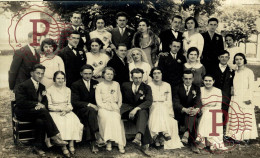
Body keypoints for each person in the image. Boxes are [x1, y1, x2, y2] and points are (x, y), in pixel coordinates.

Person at [14, 64, 68, 157]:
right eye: (37, 73)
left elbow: (45, 102)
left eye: (42, 74)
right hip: (23, 112)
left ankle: (37, 147)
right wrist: (36, 104)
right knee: (43, 111)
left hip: (37, 112)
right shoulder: (23, 85)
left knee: (40, 121)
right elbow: (20, 102)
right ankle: (55, 136)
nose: (40, 76)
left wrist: (41, 105)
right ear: (32, 73)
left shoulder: (42, 87)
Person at [46, 71, 83, 157]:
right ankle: (64, 147)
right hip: (55, 111)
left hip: (66, 111)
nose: (60, 80)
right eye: (58, 78)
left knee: (73, 121)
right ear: (54, 79)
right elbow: (50, 106)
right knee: (60, 123)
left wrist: (66, 110)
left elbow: (70, 104)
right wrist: (60, 109)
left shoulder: (67, 90)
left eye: (62, 78)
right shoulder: (49, 90)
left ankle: (71, 144)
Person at [226, 53, 258, 144]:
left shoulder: (249, 72)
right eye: (236, 59)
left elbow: (251, 86)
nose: (238, 61)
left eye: (240, 59)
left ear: (244, 60)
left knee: (245, 117)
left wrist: (248, 98)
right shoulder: (234, 72)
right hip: (236, 97)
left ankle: (246, 137)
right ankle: (235, 136)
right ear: (234, 61)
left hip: (245, 97)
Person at [148, 67, 183, 149]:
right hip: (153, 106)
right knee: (158, 107)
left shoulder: (167, 85)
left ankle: (158, 137)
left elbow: (169, 100)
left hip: (165, 107)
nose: (157, 75)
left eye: (158, 73)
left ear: (162, 74)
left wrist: (170, 113)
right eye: (154, 73)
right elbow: (149, 99)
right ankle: (164, 132)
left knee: (162, 108)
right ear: (152, 75)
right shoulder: (149, 85)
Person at [71, 65, 103, 154]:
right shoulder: (76, 84)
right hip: (80, 110)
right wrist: (89, 104)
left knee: (90, 115)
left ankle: (92, 141)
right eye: (85, 73)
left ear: (92, 73)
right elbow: (75, 102)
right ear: (81, 73)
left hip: (92, 111)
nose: (88, 76)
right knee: (90, 110)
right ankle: (96, 134)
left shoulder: (96, 83)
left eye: (90, 73)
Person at [121, 68, 152, 154]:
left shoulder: (147, 87)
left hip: (138, 110)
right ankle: (144, 142)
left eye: (140, 78)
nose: (138, 80)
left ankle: (138, 136)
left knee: (142, 113)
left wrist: (136, 109)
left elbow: (149, 101)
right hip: (126, 111)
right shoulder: (125, 85)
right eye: (135, 78)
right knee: (142, 116)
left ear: (142, 77)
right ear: (131, 77)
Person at [95, 67, 126, 153]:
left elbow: (120, 97)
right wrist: (106, 107)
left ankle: (119, 142)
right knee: (107, 118)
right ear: (103, 75)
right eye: (107, 74)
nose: (109, 76)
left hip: (114, 106)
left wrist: (117, 106)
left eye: (111, 74)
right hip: (103, 107)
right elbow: (98, 100)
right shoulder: (99, 85)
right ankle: (108, 141)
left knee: (116, 118)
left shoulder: (116, 84)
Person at [196, 74, 227, 151]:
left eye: (210, 81)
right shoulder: (200, 90)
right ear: (203, 81)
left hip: (215, 110)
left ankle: (203, 139)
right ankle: (211, 142)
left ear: (213, 81)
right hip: (203, 110)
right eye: (206, 80)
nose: (208, 82)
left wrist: (211, 109)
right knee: (207, 114)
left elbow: (218, 105)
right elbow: (198, 103)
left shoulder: (218, 91)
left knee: (211, 114)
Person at [172, 70, 201, 153]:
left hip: (192, 112)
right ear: (183, 79)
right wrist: (184, 109)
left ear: (193, 79)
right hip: (180, 112)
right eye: (186, 79)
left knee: (192, 116)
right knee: (192, 117)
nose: (188, 80)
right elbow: (176, 103)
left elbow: (198, 101)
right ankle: (190, 138)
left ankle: (188, 134)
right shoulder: (177, 88)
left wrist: (194, 109)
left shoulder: (196, 88)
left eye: (190, 78)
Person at [211, 50, 234, 130]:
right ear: (218, 58)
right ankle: (213, 126)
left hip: (226, 93)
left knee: (224, 109)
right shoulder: (213, 68)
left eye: (226, 57)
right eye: (222, 57)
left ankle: (223, 128)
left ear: (229, 58)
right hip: (214, 92)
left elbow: (233, 82)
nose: (224, 59)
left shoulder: (231, 70)